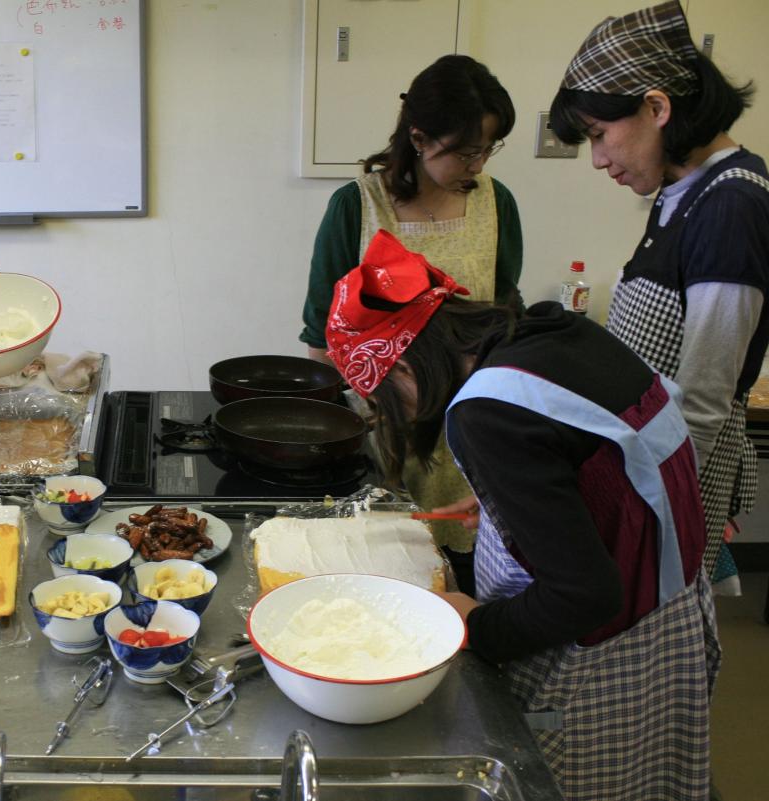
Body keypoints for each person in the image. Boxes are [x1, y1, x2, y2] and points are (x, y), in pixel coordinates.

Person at [326, 230, 719, 801]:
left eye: (385, 398)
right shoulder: (560, 333)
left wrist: (469, 624)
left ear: (405, 366)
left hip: (601, 665)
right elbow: (609, 481)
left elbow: (585, 596)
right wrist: (508, 507)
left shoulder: (486, 413)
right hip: (674, 619)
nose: (398, 412)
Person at [549, 0, 768, 592]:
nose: (598, 160)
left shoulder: (733, 206)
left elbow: (700, 402)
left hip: (664, 486)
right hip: (638, 469)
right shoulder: (683, 194)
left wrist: (626, 506)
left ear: (656, 107)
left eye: (599, 135)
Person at [301, 54, 523, 595]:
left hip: (471, 433)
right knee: (384, 583)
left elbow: (506, 315)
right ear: (420, 138)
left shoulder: (499, 205)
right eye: (467, 149)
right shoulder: (358, 205)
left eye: (488, 149)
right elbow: (319, 338)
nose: (478, 162)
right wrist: (354, 421)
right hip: (381, 431)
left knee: (469, 586)